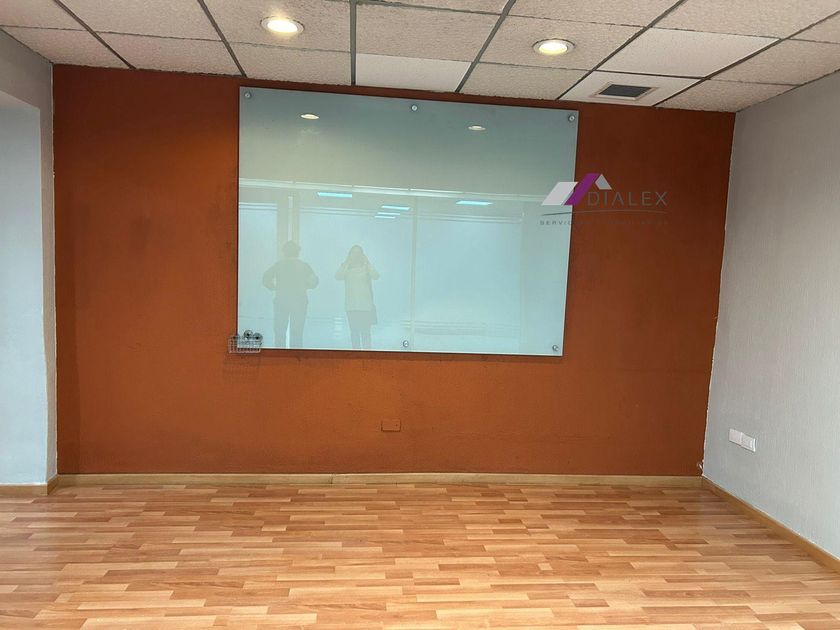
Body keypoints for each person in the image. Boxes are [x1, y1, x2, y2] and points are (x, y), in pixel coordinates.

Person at [262, 241, 318, 348]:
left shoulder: (279, 265)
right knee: (297, 332)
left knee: (279, 331)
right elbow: (314, 281)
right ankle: (296, 355)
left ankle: (280, 354)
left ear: (284, 252)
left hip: (281, 301)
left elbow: (266, 278)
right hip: (300, 301)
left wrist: (273, 287)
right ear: (298, 252)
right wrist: (306, 286)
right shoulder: (304, 266)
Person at [335, 245, 379, 350]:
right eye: (353, 252)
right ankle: (356, 354)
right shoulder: (346, 268)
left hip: (365, 306)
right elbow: (338, 276)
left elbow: (376, 275)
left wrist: (368, 263)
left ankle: (367, 354)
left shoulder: (366, 268)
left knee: (365, 333)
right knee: (354, 333)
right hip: (351, 306)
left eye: (358, 252)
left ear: (362, 255)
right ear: (349, 255)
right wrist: (346, 262)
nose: (356, 255)